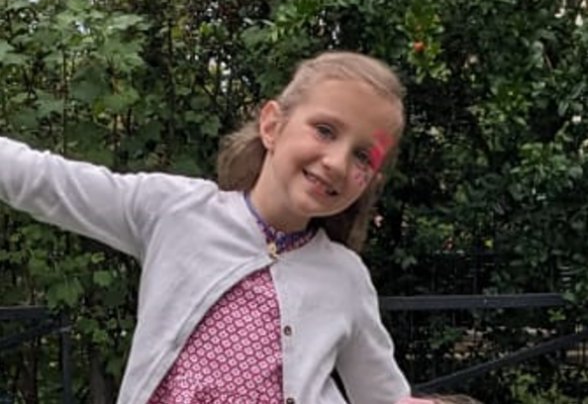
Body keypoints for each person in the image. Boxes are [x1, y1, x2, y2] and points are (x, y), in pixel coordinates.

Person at [0, 51, 413, 403]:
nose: (337, 162)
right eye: (324, 130)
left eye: (363, 156)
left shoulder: (345, 277)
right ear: (272, 125)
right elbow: (47, 182)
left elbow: (385, 396)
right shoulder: (178, 212)